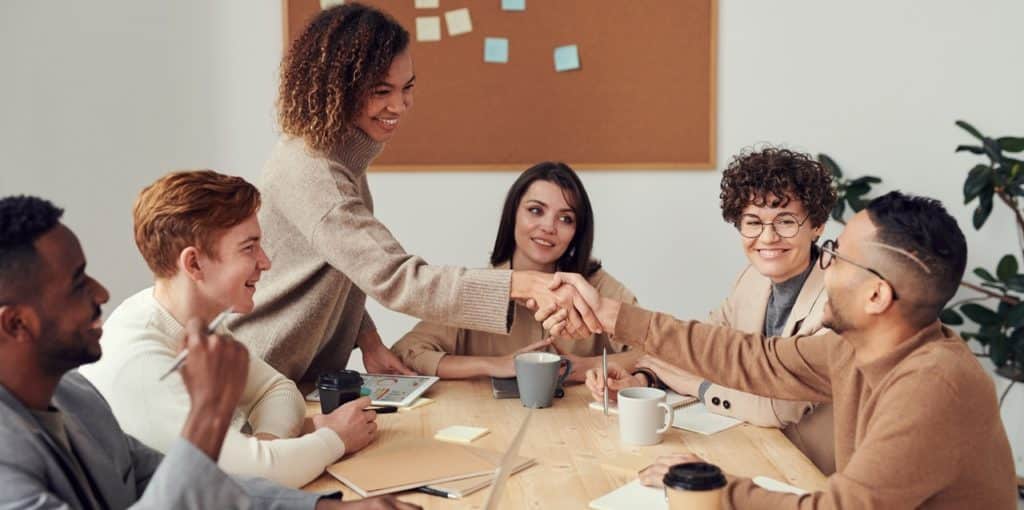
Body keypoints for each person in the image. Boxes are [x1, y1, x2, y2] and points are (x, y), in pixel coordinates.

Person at [542, 191, 1018, 508]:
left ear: (877, 296)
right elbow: (753, 358)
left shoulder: (933, 385)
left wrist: (719, 491)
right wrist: (615, 316)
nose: (822, 265)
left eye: (834, 254)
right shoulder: (854, 349)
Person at [228, 2, 599, 384]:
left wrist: (368, 339)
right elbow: (396, 277)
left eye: (407, 88)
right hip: (259, 376)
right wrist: (518, 284)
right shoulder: (315, 172)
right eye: (381, 90)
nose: (399, 105)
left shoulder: (338, 158)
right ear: (337, 88)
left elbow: (343, 266)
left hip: (295, 378)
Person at [0, 195, 418, 509]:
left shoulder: (74, 396)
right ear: (16, 323)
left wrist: (326, 509)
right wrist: (209, 416)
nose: (102, 293)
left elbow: (177, 481)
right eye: (77, 284)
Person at [79, 171, 377, 488]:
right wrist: (334, 439)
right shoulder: (140, 363)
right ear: (193, 264)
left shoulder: (193, 320)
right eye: (249, 248)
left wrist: (267, 446)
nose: (265, 262)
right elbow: (254, 478)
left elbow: (276, 389)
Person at [586, 147, 837, 473]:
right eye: (753, 222)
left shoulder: (836, 299)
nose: (768, 236)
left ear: (817, 225)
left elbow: (778, 408)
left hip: (811, 473)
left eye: (786, 221)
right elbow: (701, 348)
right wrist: (643, 378)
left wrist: (699, 387)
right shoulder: (751, 279)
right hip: (752, 451)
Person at [391, 162, 637, 380]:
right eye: (536, 210)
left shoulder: (597, 287)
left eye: (565, 219)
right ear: (513, 215)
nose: (548, 227)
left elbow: (657, 353)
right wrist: (495, 365)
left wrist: (584, 367)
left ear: (577, 232)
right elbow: (406, 353)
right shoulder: (479, 289)